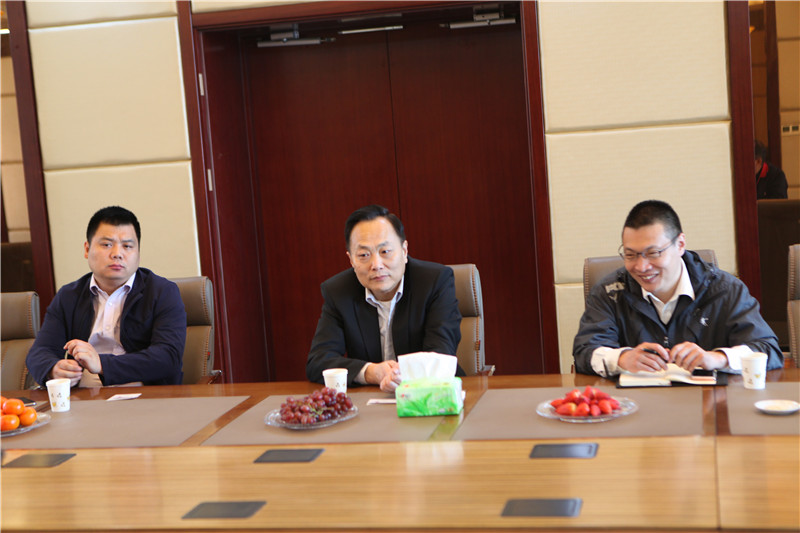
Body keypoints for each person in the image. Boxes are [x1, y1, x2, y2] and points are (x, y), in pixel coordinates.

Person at [573, 200, 782, 376]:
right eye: (630, 255)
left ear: (680, 244)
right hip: (637, 406)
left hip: (708, 405)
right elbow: (584, 351)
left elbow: (768, 350)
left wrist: (717, 358)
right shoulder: (610, 292)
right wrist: (622, 358)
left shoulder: (724, 290)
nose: (641, 266)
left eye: (653, 253)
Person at [306, 204, 462, 392]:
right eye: (364, 255)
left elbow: (441, 353)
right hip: (370, 399)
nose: (376, 265)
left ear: (404, 251)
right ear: (351, 260)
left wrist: (399, 375)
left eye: (385, 251)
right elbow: (319, 361)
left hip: (432, 395)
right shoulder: (338, 292)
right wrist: (370, 372)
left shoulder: (435, 281)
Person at [26, 206, 186, 387]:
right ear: (87, 249)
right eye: (107, 245)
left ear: (138, 253)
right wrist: (53, 369)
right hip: (83, 396)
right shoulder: (68, 296)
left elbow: (168, 356)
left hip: (144, 394)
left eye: (127, 246)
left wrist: (102, 364)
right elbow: (39, 352)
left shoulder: (162, 292)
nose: (117, 254)